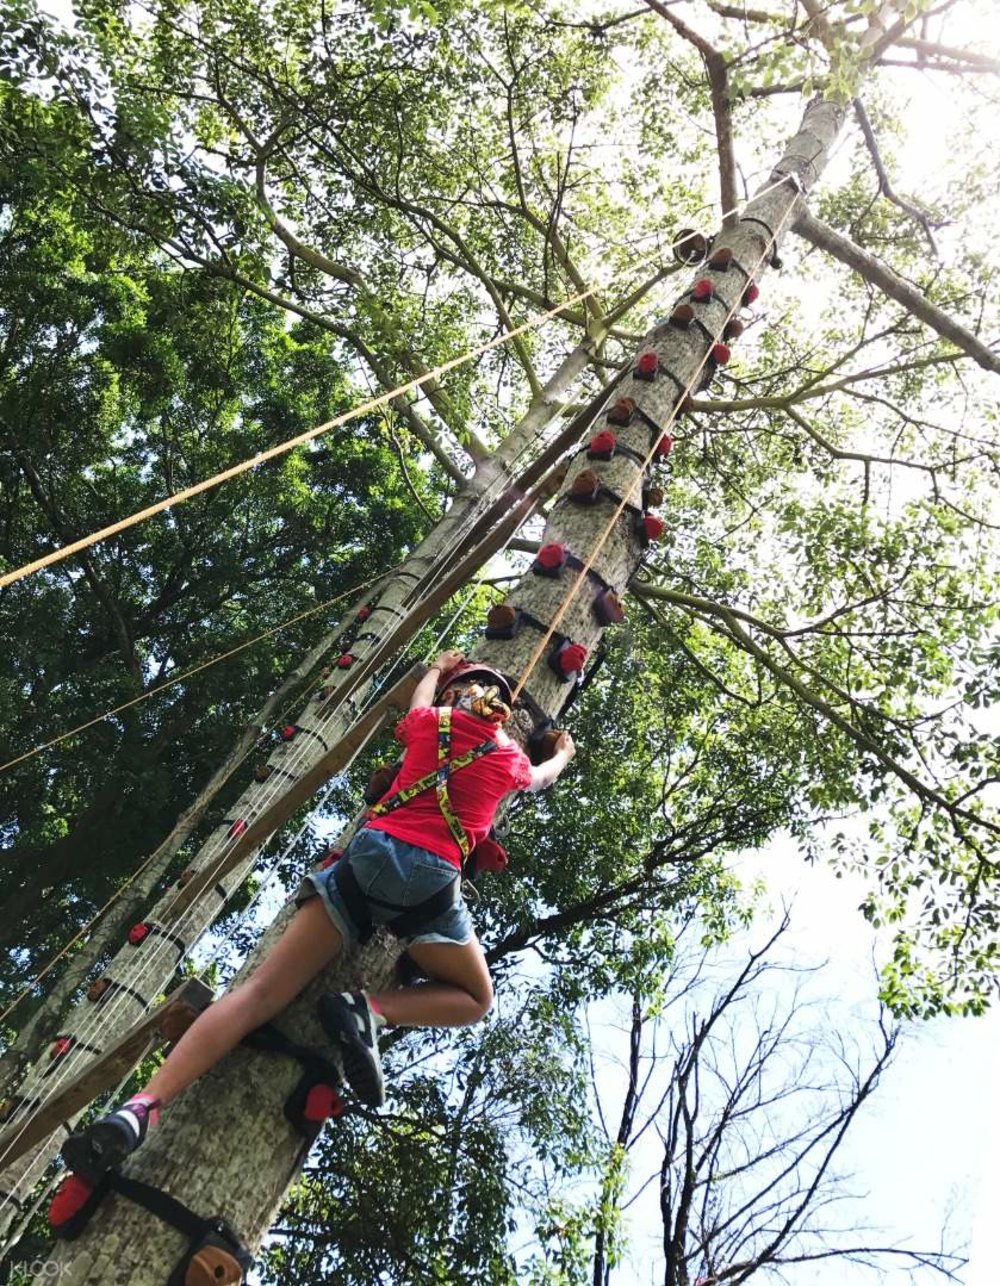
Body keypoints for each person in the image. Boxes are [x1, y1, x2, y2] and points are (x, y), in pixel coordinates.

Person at [62, 651, 575, 1182]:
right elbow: (540, 778)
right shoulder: (507, 755)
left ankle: (141, 1107)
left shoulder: (431, 723)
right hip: (430, 883)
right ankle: (369, 1010)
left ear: (453, 695)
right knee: (476, 1000)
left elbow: (420, 702)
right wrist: (563, 752)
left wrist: (432, 668)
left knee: (258, 995)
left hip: (370, 854)